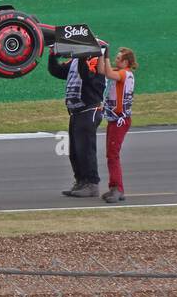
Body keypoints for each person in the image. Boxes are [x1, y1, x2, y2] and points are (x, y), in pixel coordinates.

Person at [48, 48, 107, 197]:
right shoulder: (75, 61)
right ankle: (81, 181)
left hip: (90, 109)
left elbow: (86, 75)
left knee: (86, 150)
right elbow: (56, 71)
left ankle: (92, 184)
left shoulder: (96, 60)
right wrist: (52, 55)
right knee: (75, 152)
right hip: (76, 111)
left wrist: (81, 57)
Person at [99, 48, 138, 203]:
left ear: (126, 62)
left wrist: (105, 56)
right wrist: (101, 54)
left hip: (120, 121)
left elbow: (108, 74)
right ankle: (115, 187)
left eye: (118, 58)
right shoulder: (121, 72)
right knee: (111, 155)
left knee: (113, 155)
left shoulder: (125, 73)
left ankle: (118, 189)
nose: (116, 60)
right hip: (115, 119)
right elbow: (103, 70)